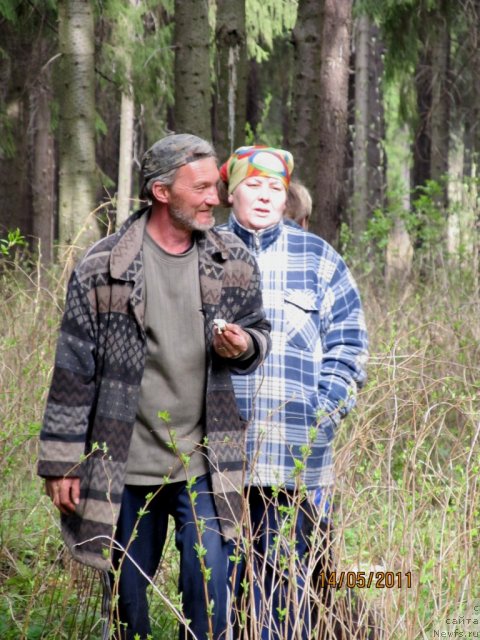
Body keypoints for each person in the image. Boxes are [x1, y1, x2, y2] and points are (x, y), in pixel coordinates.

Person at [37, 133, 271, 640]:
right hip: (123, 465)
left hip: (204, 464)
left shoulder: (233, 261)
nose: (218, 198)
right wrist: (61, 463)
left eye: (218, 186)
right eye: (203, 187)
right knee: (126, 602)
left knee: (208, 590)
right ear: (162, 192)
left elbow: (259, 334)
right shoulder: (103, 267)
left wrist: (244, 345)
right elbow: (73, 369)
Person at [218, 145, 369, 639]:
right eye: (253, 186)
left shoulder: (320, 258)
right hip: (216, 459)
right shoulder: (203, 252)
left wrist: (325, 411)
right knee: (215, 587)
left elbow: (349, 344)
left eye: (274, 188)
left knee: (284, 593)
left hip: (296, 458)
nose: (264, 197)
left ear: (287, 198)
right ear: (231, 193)